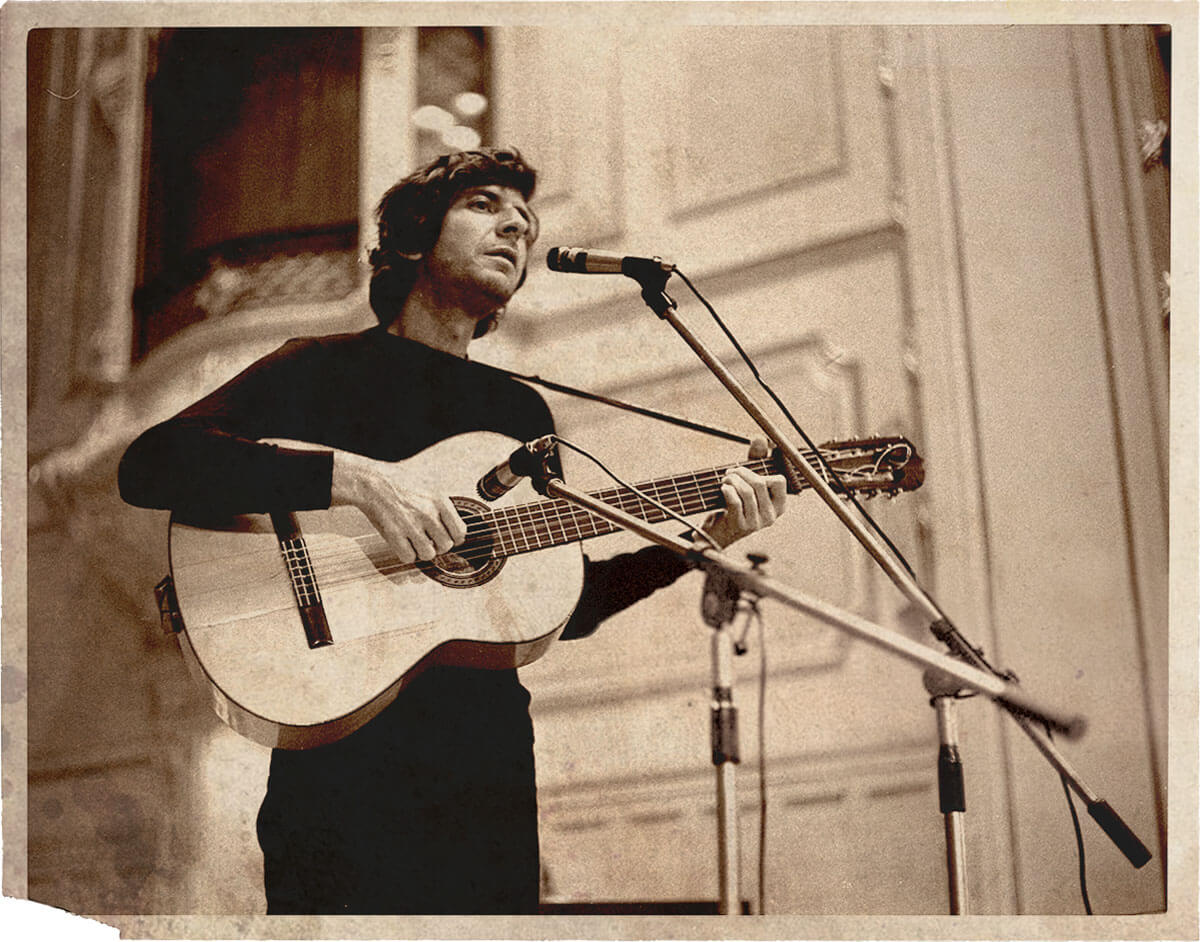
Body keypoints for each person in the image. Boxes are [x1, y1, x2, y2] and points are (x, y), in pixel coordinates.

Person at [118, 147, 788, 914]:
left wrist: (702, 543)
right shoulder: (320, 368)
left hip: (484, 773)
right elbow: (150, 463)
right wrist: (354, 479)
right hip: (340, 763)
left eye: (526, 221)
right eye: (484, 205)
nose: (516, 227)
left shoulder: (519, 413)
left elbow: (565, 603)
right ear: (413, 236)